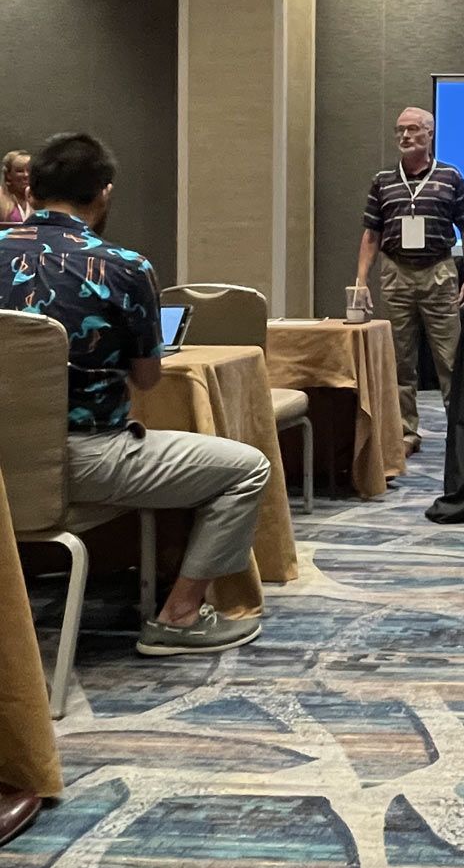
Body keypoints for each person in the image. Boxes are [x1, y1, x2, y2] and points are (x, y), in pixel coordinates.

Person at [0, 132, 271, 655]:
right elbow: (148, 380)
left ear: (30, 191)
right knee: (246, 469)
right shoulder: (124, 267)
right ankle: (179, 617)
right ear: (103, 194)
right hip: (84, 458)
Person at [355, 106, 464, 456]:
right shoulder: (382, 181)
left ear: (430, 134)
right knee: (399, 359)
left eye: (412, 130)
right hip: (396, 273)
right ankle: (404, 433)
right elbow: (370, 235)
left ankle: (461, 432)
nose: (405, 136)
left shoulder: (450, 177)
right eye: (400, 131)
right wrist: (361, 281)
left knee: (450, 358)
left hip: (439, 272)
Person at [0, 149, 31, 223]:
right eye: (20, 171)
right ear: (8, 175)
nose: (26, 175)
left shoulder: (40, 198)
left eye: (29, 170)